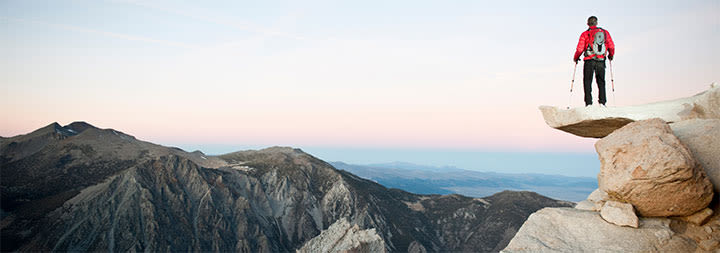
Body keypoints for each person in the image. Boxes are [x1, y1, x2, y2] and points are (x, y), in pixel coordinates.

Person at [573, 16, 615, 106]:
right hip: (601, 60)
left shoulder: (585, 34)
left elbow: (580, 49)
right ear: (596, 23)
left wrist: (576, 58)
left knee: (587, 81)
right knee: (601, 81)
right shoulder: (605, 33)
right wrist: (610, 55)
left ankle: (589, 104)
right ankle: (602, 103)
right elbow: (611, 46)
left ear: (588, 24)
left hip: (589, 60)